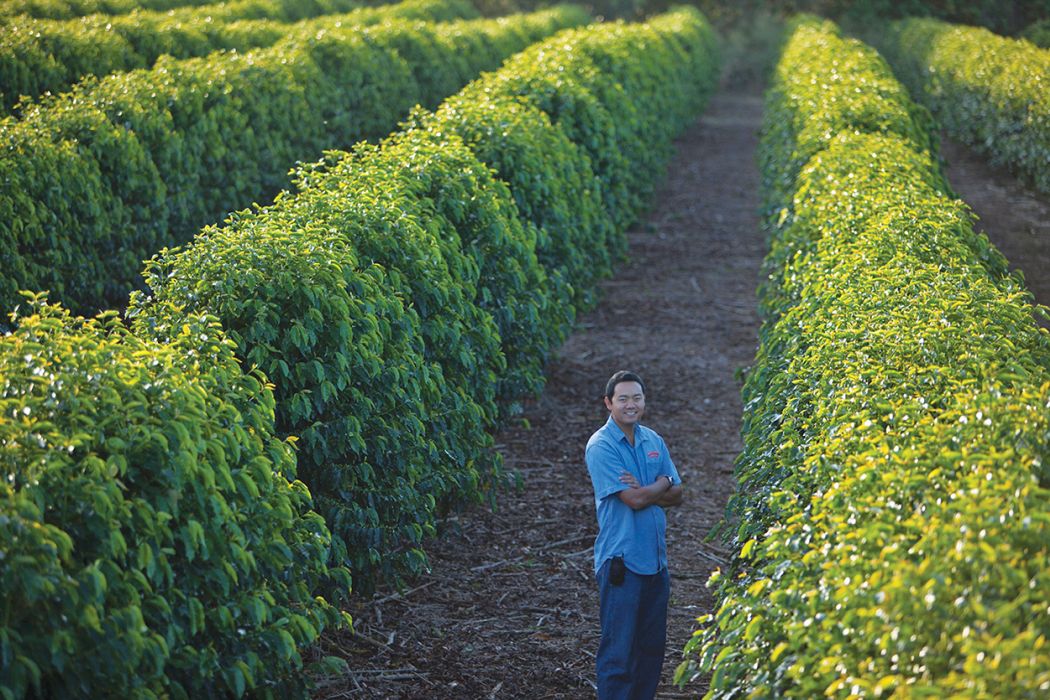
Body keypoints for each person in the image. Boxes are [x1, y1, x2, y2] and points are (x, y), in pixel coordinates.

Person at [585, 370, 684, 700]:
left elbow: (679, 495)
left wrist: (655, 487)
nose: (631, 404)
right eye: (623, 398)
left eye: (637, 398)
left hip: (656, 563)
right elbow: (635, 500)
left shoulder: (652, 440)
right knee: (619, 654)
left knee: (651, 652)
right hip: (622, 564)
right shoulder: (601, 446)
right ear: (608, 403)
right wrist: (662, 483)